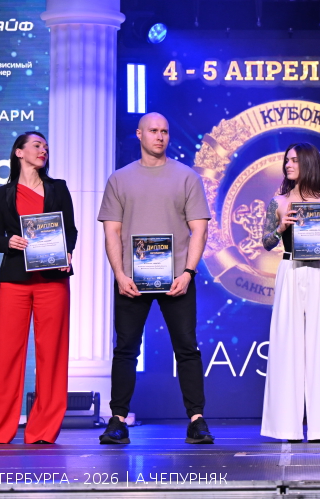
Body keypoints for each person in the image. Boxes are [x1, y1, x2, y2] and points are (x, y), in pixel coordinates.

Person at [97, 112, 214, 445]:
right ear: (139, 134)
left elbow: (199, 229)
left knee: (187, 349)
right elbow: (112, 232)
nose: (160, 136)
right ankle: (118, 420)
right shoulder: (119, 179)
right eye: (153, 131)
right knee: (126, 349)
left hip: (177, 278)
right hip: (132, 280)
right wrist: (120, 275)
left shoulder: (186, 176)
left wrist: (188, 272)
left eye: (164, 131)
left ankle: (197, 420)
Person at [0, 131, 76, 445]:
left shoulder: (58, 188)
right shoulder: (2, 194)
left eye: (46, 147)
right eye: (36, 145)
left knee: (52, 355)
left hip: (53, 280)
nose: (43, 150)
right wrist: (9, 242)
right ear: (19, 152)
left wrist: (67, 252)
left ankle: (43, 430)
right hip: (15, 280)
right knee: (5, 354)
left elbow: (70, 230)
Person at [259, 142, 320, 442]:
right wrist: (280, 227)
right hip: (290, 270)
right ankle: (286, 427)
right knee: (287, 346)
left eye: (295, 160)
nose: (288, 165)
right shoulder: (278, 202)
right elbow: (266, 243)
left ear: (309, 164)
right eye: (287, 160)